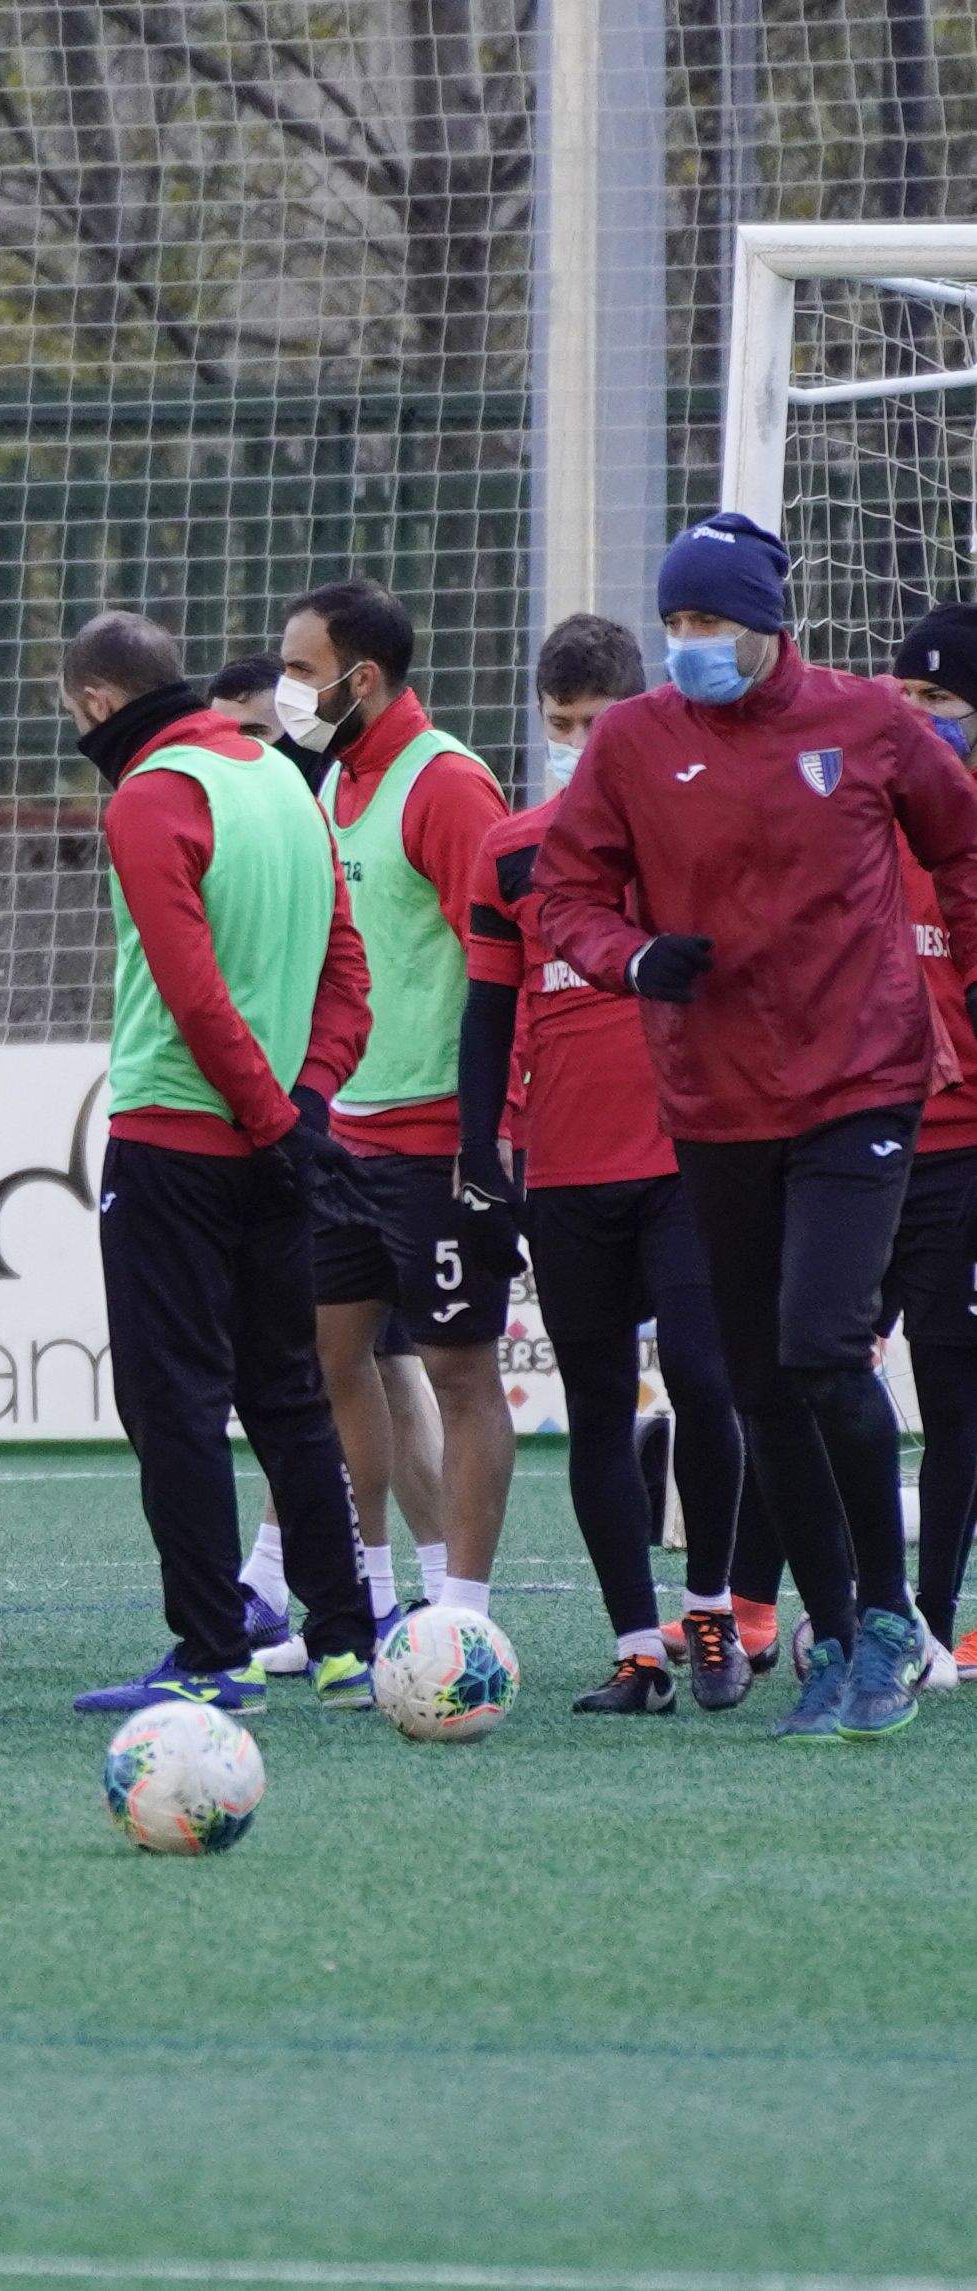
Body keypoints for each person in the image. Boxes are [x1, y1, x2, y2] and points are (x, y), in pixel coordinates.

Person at [538, 510, 977, 1741]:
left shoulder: (869, 723)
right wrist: (632, 958)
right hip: (713, 1096)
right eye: (673, 623)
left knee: (820, 1341)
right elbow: (565, 891)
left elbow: (963, 839)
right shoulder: (630, 742)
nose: (688, 644)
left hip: (863, 1081)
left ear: (766, 626)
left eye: (709, 623)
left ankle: (890, 1618)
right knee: (756, 1379)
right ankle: (836, 1633)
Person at [53, 612, 380, 1713]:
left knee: (173, 1402)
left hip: (176, 1140)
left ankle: (209, 1653)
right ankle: (342, 1639)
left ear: (96, 703)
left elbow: (190, 991)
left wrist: (274, 1115)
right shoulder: (284, 782)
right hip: (275, 1143)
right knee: (287, 1391)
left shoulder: (150, 795)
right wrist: (306, 1105)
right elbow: (348, 967)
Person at [459, 612, 755, 1713]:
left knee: (705, 1374)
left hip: (687, 1152)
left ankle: (713, 1612)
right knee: (592, 1407)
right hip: (565, 1166)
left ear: (638, 716)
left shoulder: (690, 833)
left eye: (594, 722)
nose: (577, 742)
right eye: (559, 723)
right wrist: (475, 1160)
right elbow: (487, 1014)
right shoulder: (511, 850)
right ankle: (637, 1646)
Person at [279, 578, 518, 1624]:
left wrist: (490, 1128)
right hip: (345, 1134)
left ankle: (460, 1608)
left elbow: (504, 956)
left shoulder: (446, 784)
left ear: (358, 678)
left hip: (435, 1138)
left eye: (298, 669)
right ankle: (372, 1594)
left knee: (458, 1368)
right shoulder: (331, 784)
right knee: (332, 1359)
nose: (287, 689)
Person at [205, 649, 446, 1660]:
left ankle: (430, 1592)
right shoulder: (295, 806)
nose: (239, 757)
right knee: (349, 1357)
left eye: (256, 735)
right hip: (334, 1115)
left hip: (390, 1115)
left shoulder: (366, 793)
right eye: (227, 738)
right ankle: (372, 1590)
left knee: (399, 1360)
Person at [886, 598, 977, 1690]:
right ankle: (774, 1607)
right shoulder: (860, 820)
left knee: (953, 1396)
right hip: (854, 1144)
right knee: (805, 1364)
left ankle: (935, 1613)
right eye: (902, 697)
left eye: (938, 701)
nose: (913, 719)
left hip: (960, 1153)